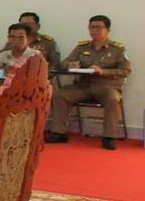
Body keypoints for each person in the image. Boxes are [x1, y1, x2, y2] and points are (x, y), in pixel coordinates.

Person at [47, 15, 131, 150]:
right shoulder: (82, 47)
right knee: (60, 95)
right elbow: (64, 63)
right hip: (83, 85)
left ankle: (109, 137)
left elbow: (125, 71)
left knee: (113, 99)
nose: (94, 30)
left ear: (108, 30)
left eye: (99, 27)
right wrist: (71, 64)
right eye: (92, 27)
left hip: (107, 87)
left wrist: (103, 71)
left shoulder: (117, 49)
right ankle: (59, 133)